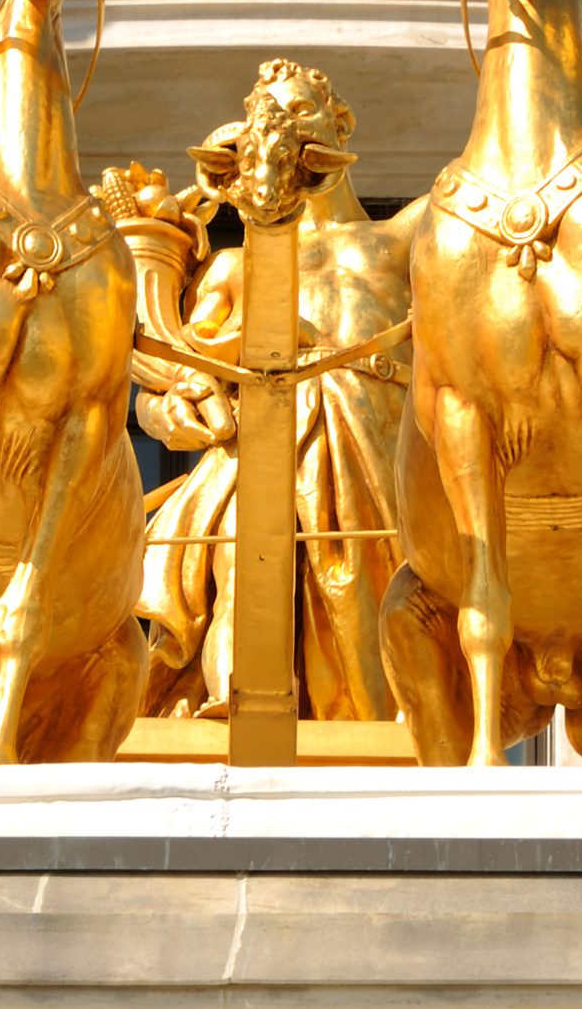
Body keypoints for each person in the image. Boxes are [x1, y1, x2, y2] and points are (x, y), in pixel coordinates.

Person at [130, 60, 424, 722]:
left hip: (370, 446)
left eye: (298, 111)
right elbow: (183, 355)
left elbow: (489, 194)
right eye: (271, 117)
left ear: (338, 126)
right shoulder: (235, 265)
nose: (286, 130)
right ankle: (232, 700)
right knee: (240, 561)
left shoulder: (398, 240)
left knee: (371, 591)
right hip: (259, 446)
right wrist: (169, 406)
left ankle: (384, 720)